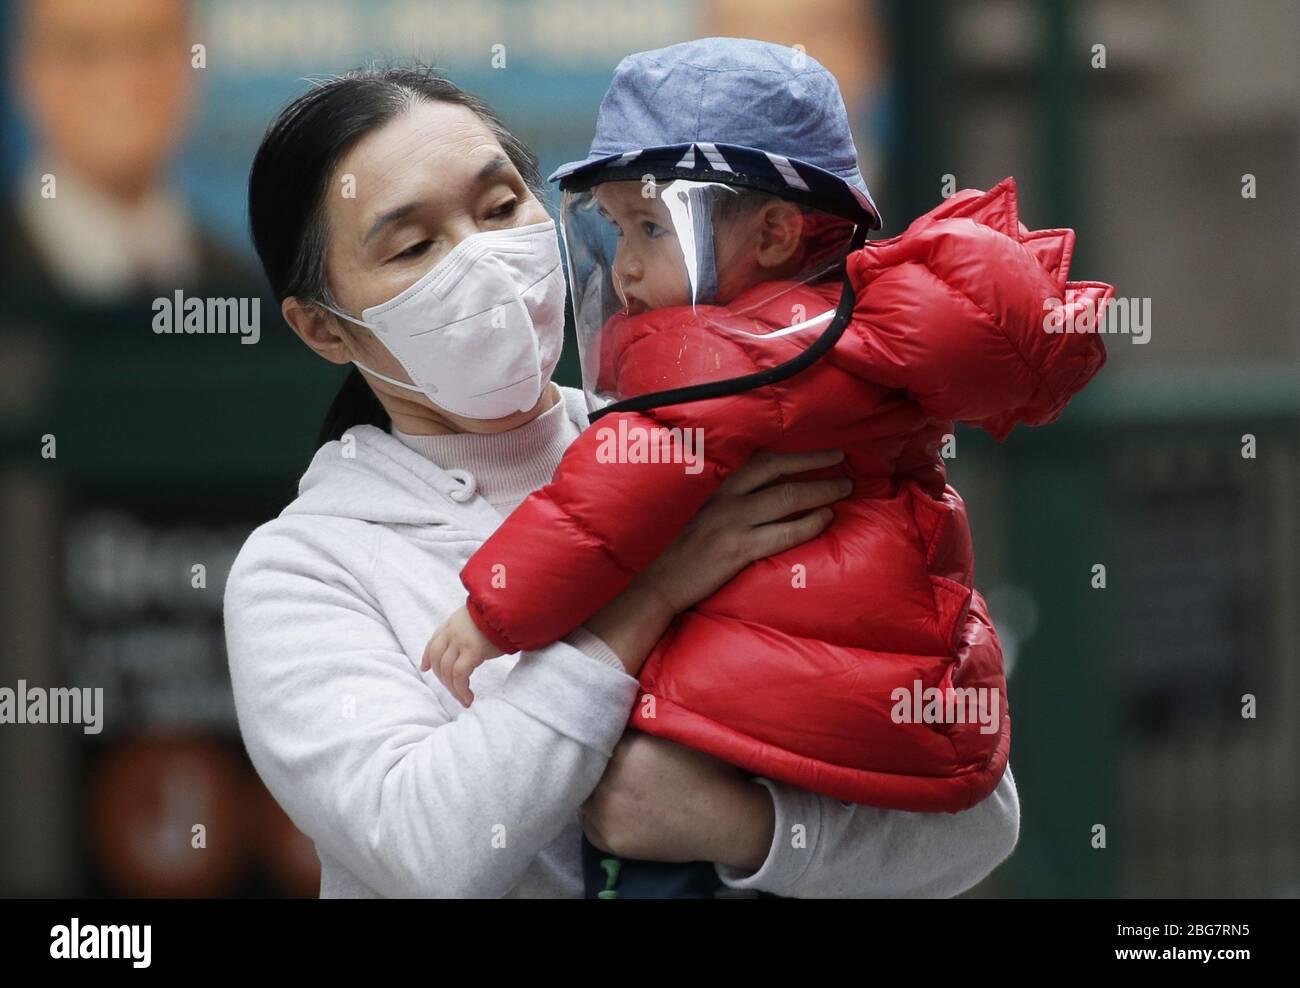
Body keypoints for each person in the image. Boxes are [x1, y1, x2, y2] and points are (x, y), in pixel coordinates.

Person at [225, 63, 1021, 898]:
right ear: (322, 328)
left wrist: (745, 828)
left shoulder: (728, 433)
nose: (483, 260)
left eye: (501, 208)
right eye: (414, 246)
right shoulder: (304, 571)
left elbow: (977, 817)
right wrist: (647, 599)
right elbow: (429, 852)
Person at [423, 40, 1110, 898]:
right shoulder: (842, 336)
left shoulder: (727, 359)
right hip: (860, 710)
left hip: (739, 723)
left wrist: (493, 610)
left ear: (777, 233)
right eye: (611, 228)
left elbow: (598, 507)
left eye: (648, 226)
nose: (625, 265)